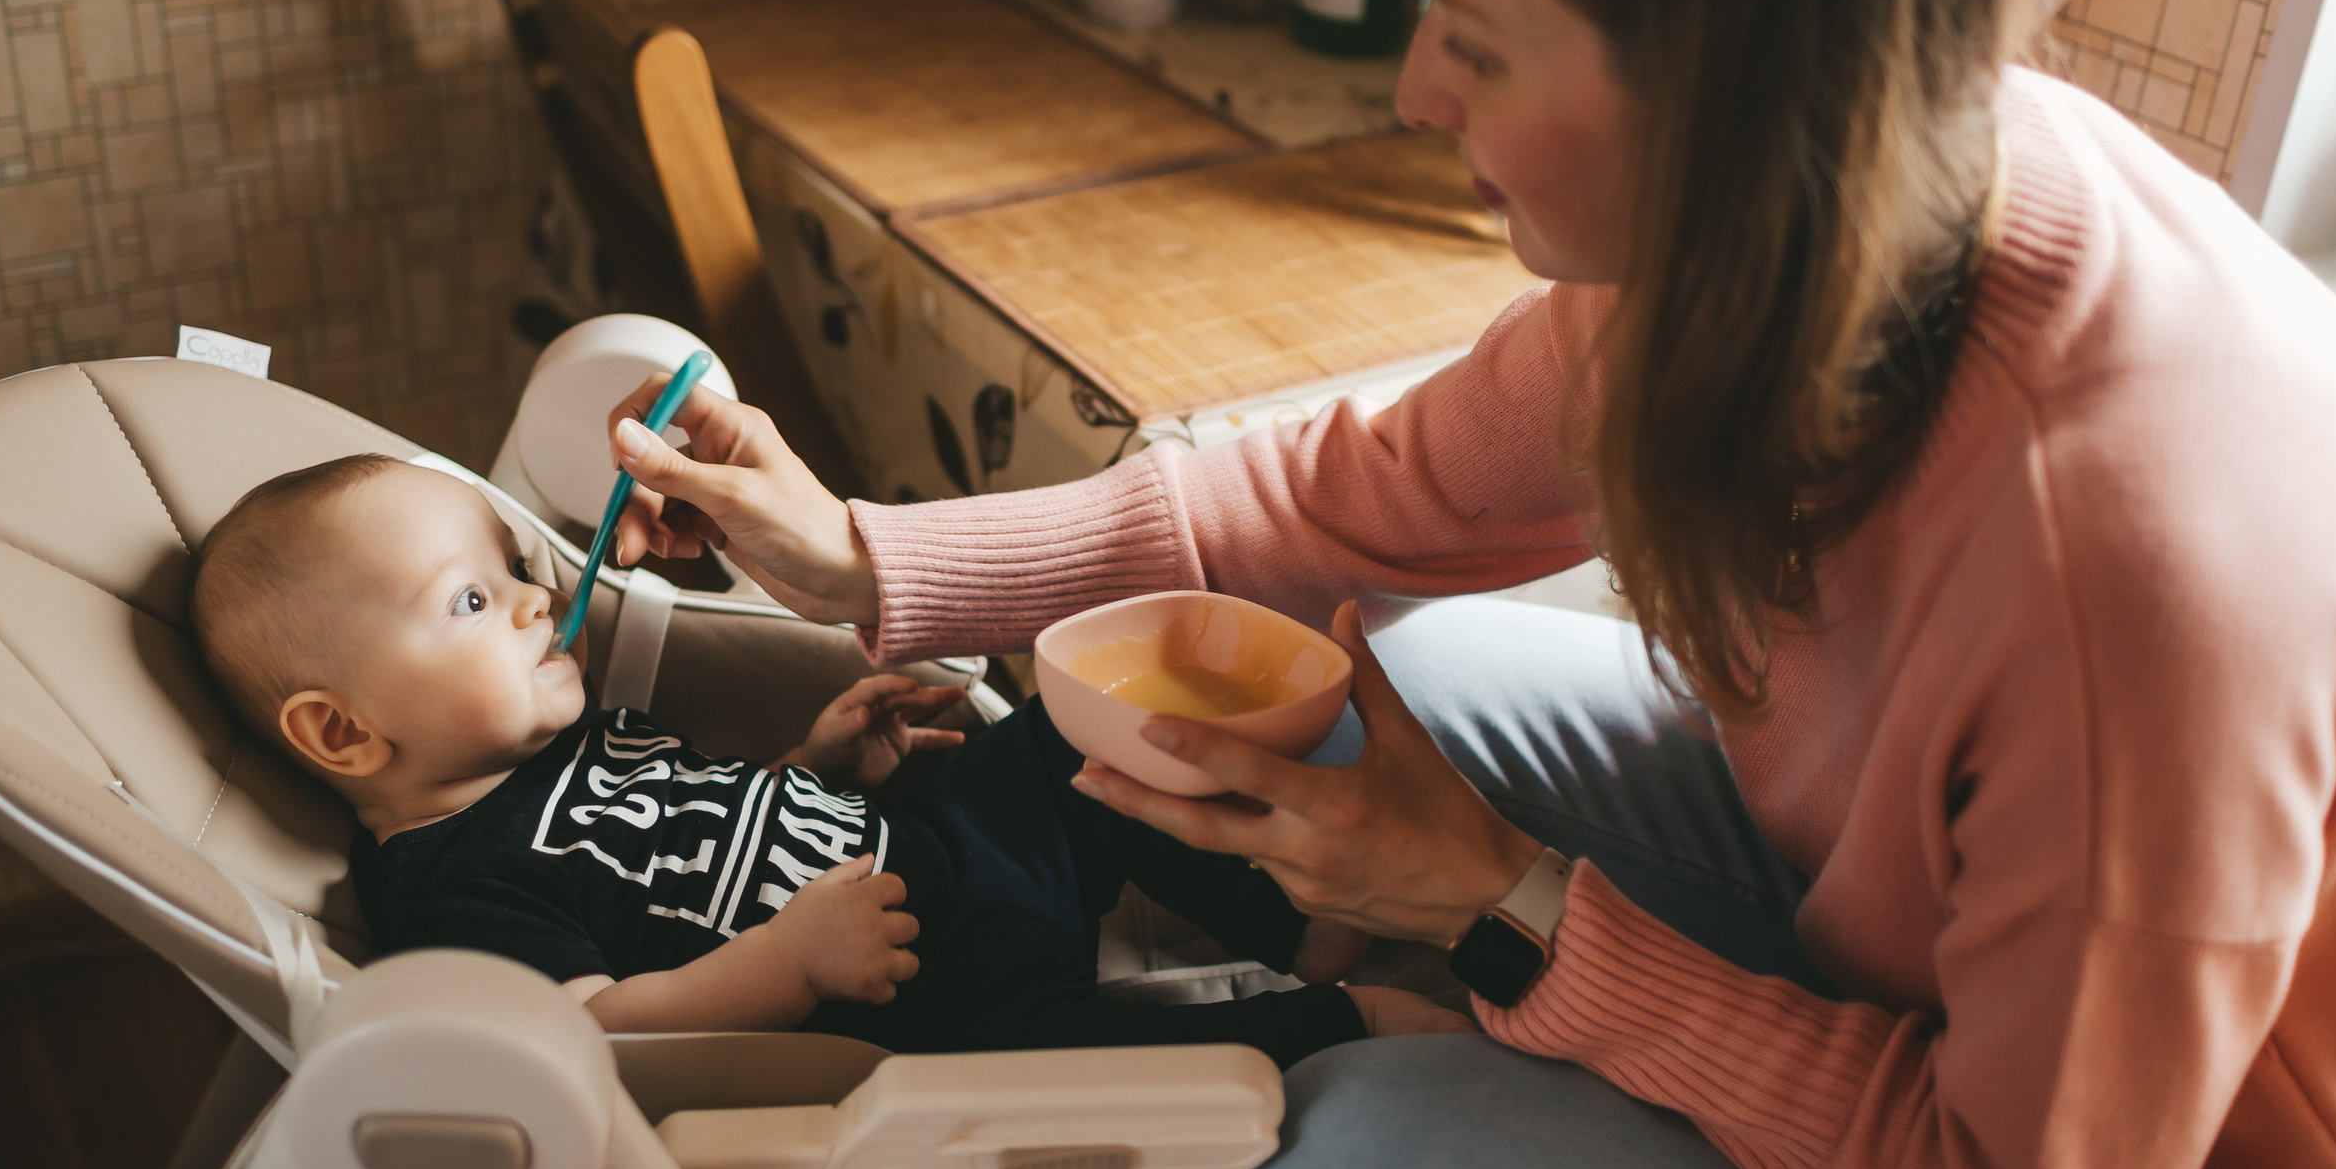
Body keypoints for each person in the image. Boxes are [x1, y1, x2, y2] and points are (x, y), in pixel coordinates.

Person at [587, 0, 2336, 1169]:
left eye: (1477, 38)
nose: (1416, 89)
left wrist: (1512, 911)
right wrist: (859, 557)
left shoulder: (2126, 570)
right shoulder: (1807, 208)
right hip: (1910, 949)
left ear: (1721, 76)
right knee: (1366, 676)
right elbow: (1345, 503)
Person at [185, 454, 1465, 1060]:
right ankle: (1341, 1025)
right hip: (926, 998)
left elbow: (720, 826)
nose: (532, 600)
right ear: (344, 732)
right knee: (1086, 1067)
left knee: (1067, 749)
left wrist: (823, 768)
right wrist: (785, 964)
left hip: (935, 844)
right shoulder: (456, 888)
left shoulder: (569, 740)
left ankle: (1292, 922)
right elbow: (594, 1031)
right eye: (468, 603)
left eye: (513, 573)